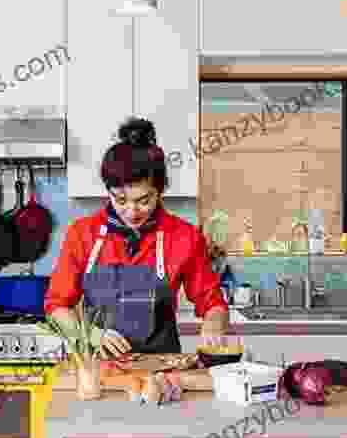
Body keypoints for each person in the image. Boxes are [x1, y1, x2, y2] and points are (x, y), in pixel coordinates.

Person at [44, 117, 229, 358]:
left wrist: (214, 326)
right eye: (120, 200)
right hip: (96, 369)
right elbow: (56, 306)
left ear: (159, 191)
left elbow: (213, 304)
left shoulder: (184, 237)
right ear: (108, 191)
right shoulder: (82, 234)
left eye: (144, 200)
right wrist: (91, 335)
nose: (132, 212)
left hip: (161, 370)